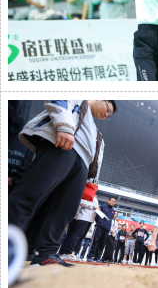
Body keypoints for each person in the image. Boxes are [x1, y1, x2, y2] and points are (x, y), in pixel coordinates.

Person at [9, 100, 115, 267]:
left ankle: (45, 253)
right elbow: (60, 97)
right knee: (30, 194)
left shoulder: (94, 130)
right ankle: (8, 244)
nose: (107, 114)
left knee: (63, 210)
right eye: (108, 109)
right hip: (64, 145)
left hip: (82, 163)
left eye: (109, 115)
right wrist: (64, 127)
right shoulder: (81, 97)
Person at [61, 187, 99, 261]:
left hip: (90, 219)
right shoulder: (85, 194)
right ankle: (69, 252)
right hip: (83, 217)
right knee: (77, 235)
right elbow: (81, 202)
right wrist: (93, 206)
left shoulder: (95, 198)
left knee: (81, 237)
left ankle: (75, 253)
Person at [89, 197, 117, 263]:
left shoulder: (113, 211)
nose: (113, 202)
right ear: (108, 201)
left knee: (102, 244)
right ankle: (90, 256)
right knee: (95, 241)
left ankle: (97, 257)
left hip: (107, 230)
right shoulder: (103, 206)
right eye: (112, 201)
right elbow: (97, 214)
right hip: (99, 227)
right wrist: (99, 223)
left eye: (114, 202)